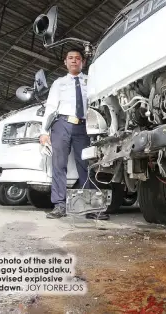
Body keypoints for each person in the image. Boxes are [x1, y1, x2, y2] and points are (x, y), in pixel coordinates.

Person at [39, 48, 109, 220]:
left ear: (83, 62)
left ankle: (90, 208)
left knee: (86, 165)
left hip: (83, 127)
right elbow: (50, 107)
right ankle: (59, 205)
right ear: (65, 62)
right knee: (59, 165)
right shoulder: (59, 83)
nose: (74, 61)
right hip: (61, 124)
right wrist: (43, 131)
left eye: (77, 58)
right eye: (70, 58)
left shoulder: (91, 81)